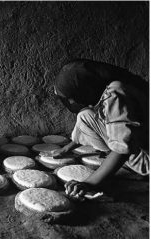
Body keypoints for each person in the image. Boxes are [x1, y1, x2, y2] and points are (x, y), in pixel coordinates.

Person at [53, 59, 149, 201]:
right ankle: (112, 163)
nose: (72, 102)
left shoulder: (116, 94)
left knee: (118, 152)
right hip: (140, 142)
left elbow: (122, 149)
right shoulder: (110, 86)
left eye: (71, 98)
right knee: (86, 115)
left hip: (146, 157)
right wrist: (66, 149)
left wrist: (88, 183)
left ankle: (122, 167)